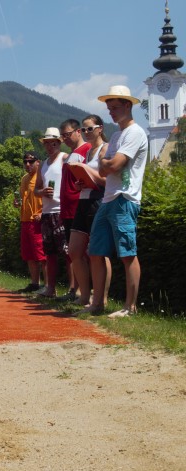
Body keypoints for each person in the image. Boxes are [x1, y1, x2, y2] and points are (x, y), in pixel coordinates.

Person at [88, 86, 148, 318]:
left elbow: (112, 165)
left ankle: (129, 307)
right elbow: (104, 169)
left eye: (114, 107)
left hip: (125, 198)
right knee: (95, 251)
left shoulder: (135, 133)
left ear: (127, 105)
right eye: (109, 108)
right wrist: (107, 163)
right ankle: (98, 304)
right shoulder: (115, 136)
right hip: (109, 198)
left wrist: (107, 162)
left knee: (127, 253)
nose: (110, 112)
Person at [69, 115, 111, 309]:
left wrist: (86, 171)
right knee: (74, 250)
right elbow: (91, 177)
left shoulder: (106, 149)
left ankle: (101, 298)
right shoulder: (88, 152)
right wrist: (81, 181)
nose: (86, 132)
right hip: (83, 200)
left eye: (89, 128)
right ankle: (85, 295)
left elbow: (108, 181)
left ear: (100, 128)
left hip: (98, 201)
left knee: (99, 253)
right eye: (83, 129)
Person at [58, 119, 91, 301]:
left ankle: (88, 292)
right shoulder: (70, 155)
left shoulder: (87, 150)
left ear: (78, 131)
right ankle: (76, 290)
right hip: (67, 210)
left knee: (84, 253)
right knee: (72, 254)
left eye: (68, 134)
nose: (65, 138)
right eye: (63, 136)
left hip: (80, 207)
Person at [34, 127, 68, 298]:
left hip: (62, 211)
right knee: (50, 253)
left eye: (53, 143)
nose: (49, 146)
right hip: (47, 212)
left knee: (68, 253)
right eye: (46, 143)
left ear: (59, 143)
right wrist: (42, 192)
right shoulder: (43, 164)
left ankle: (74, 289)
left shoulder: (65, 158)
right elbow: (36, 189)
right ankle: (51, 289)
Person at [14, 151, 47, 292]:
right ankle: (35, 284)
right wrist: (17, 203)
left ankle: (48, 286)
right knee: (29, 255)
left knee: (42, 255)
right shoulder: (24, 179)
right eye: (25, 161)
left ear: (38, 162)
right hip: (25, 220)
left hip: (38, 220)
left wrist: (42, 212)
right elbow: (23, 198)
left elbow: (51, 196)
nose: (28, 164)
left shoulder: (43, 176)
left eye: (31, 161)